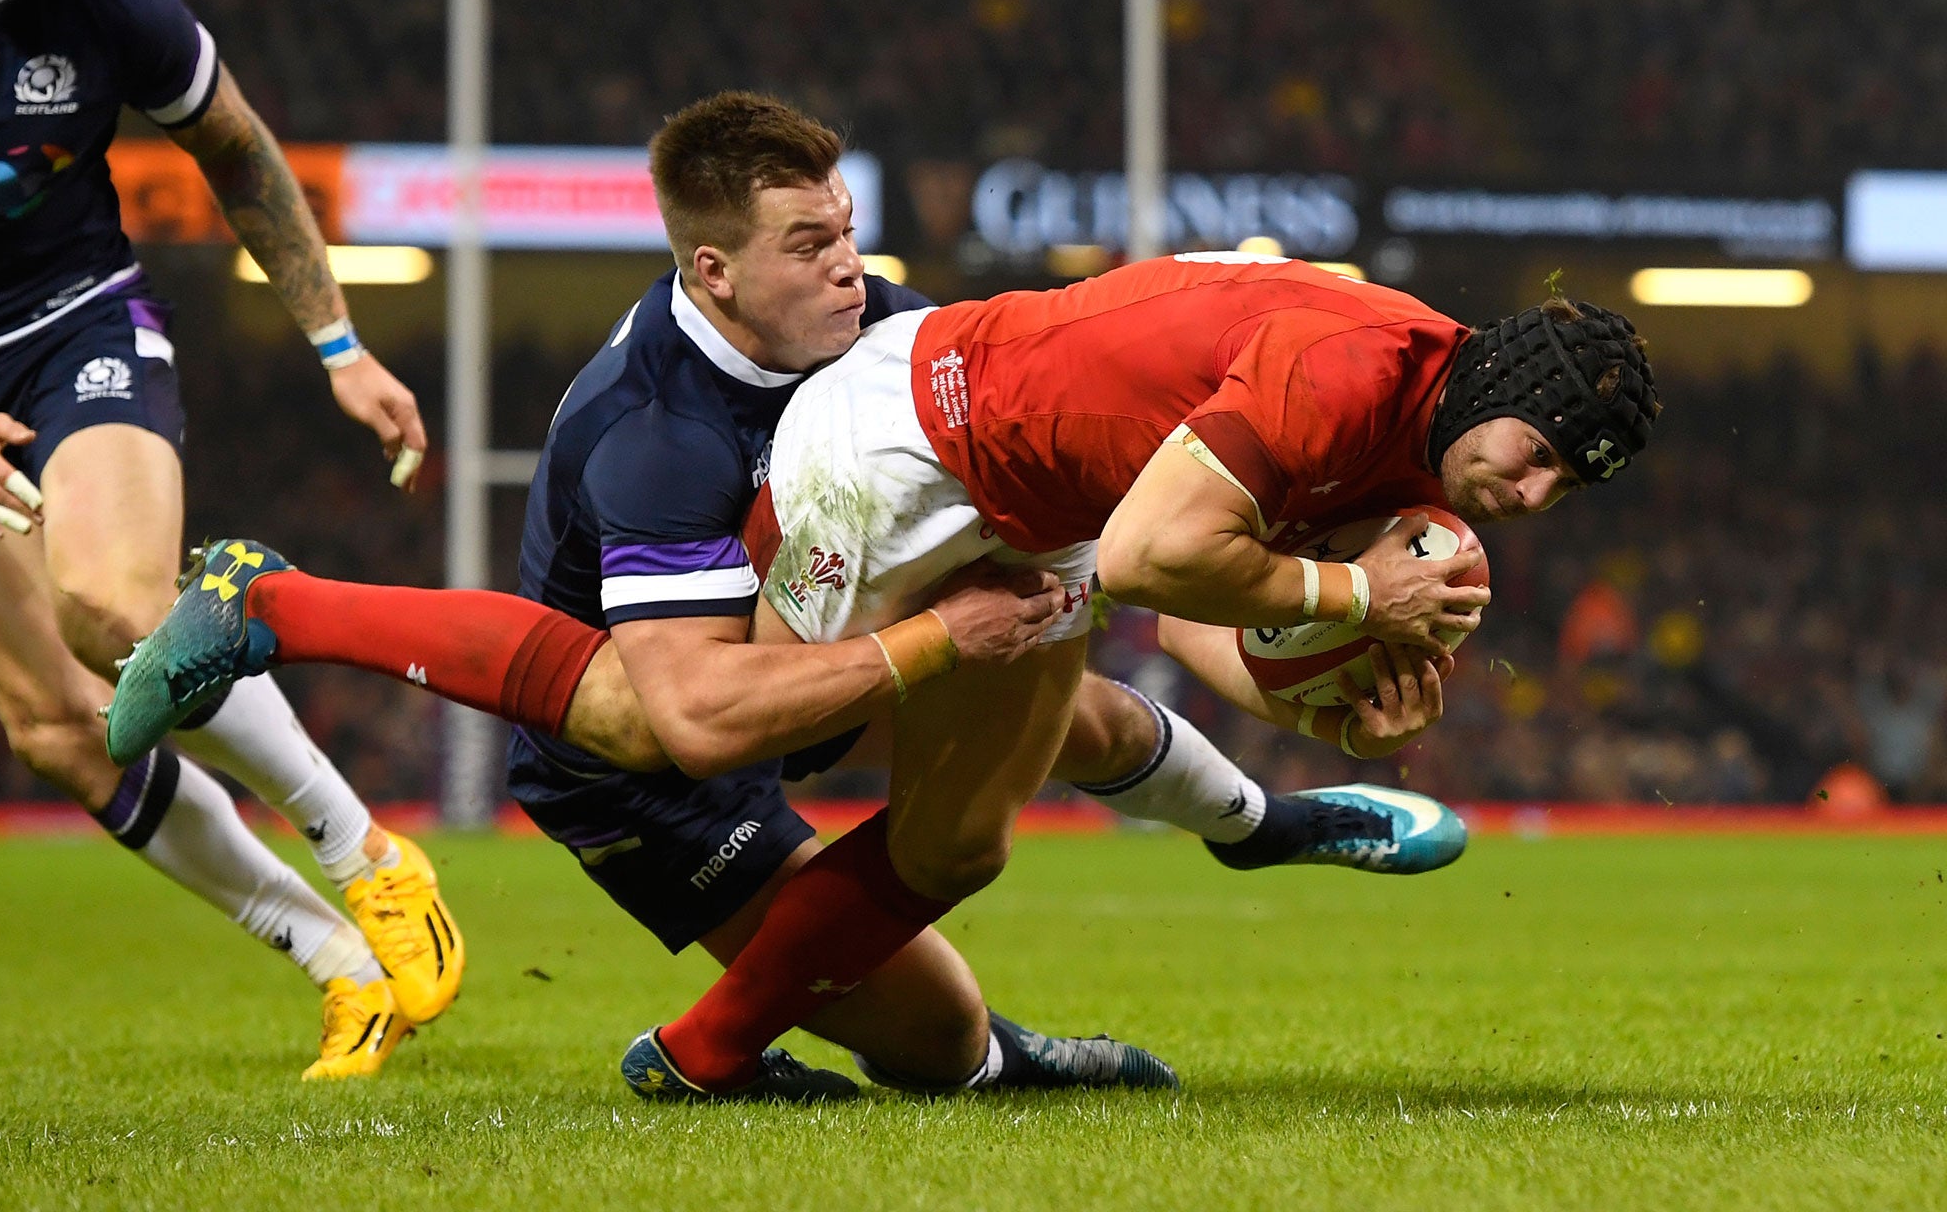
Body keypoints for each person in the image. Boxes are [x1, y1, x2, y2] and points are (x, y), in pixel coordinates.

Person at [110, 93, 1472, 1099]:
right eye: (808, 244)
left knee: (1068, 691)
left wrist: (1314, 686)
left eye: (847, 234)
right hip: (640, 754)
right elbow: (698, 721)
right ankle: (280, 602)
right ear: (713, 272)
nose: (846, 268)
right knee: (937, 1026)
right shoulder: (658, 429)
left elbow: (1134, 558)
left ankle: (1258, 821)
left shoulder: (894, 340)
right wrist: (948, 635)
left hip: (799, 649)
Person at [626, 251, 1660, 1095]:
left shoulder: (1417, 453)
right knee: (721, 729)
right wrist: (1353, 600)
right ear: (1497, 388)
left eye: (1562, 487)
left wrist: (1341, 730)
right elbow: (1145, 562)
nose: (1528, 495)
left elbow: (1187, 618)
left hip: (1032, 516)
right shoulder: (1346, 372)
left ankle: (698, 1057)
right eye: (1534, 453)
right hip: (910, 444)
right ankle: (484, 661)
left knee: (960, 840)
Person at [0, 0, 453, 1080]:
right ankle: (342, 969)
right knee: (53, 730)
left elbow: (240, 152)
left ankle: (361, 847)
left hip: (71, 326)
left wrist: (338, 346)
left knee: (110, 612)